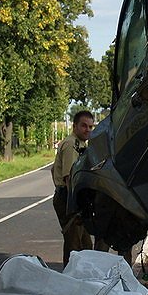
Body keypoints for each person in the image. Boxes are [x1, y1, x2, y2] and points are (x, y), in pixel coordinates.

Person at [52, 110, 95, 264]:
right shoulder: (71, 144)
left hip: (73, 198)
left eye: (91, 127)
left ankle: (78, 280)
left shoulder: (81, 143)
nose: (88, 130)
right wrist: (75, 206)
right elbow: (70, 178)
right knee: (74, 247)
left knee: (84, 246)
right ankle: (70, 281)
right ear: (75, 126)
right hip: (68, 198)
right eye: (84, 126)